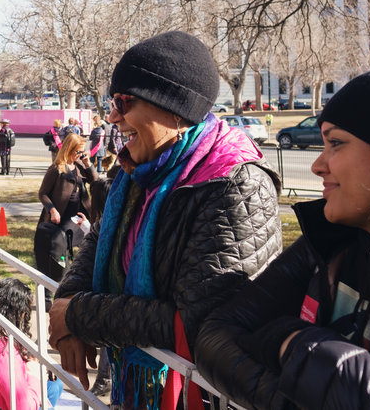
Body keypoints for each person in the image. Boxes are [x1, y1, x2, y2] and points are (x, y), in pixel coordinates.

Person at [194, 46, 370, 409]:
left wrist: (305, 350)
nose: (318, 166)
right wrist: (295, 395)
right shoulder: (328, 243)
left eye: (336, 144)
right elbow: (217, 333)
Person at [48, 31, 282, 409]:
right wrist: (69, 300)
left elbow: (196, 324)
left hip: (200, 395)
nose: (112, 117)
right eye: (113, 101)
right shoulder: (136, 168)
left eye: (124, 102)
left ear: (174, 109)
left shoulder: (236, 183)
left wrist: (78, 315)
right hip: (142, 389)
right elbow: (98, 244)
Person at [0, 278, 64, 410]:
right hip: (3, 405)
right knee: (50, 390)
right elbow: (23, 407)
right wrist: (34, 373)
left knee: (54, 385)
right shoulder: (2, 351)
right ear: (21, 314)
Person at [34, 133, 96, 306]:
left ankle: (70, 289)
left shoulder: (79, 166)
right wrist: (52, 209)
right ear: (69, 149)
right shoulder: (56, 168)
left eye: (83, 152)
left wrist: (88, 164)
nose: (81, 155)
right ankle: (49, 292)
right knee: (55, 255)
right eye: (78, 152)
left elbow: (96, 183)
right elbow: (42, 193)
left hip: (77, 217)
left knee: (76, 255)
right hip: (58, 218)